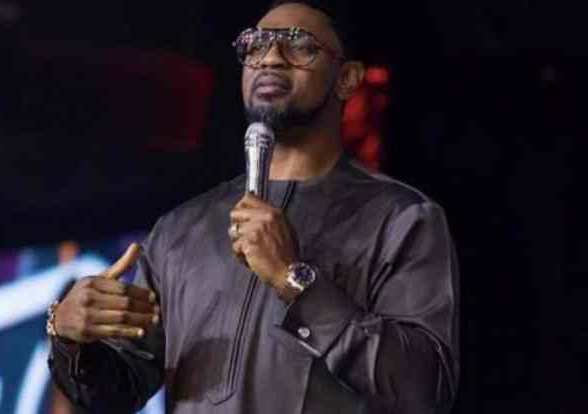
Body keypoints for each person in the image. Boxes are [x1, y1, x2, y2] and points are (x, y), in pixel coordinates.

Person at [46, 1, 460, 413]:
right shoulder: (180, 229)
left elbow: (424, 389)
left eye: (299, 45)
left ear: (347, 78)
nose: (270, 58)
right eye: (255, 45)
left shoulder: (401, 219)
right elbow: (117, 391)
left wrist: (295, 280)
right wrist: (69, 339)